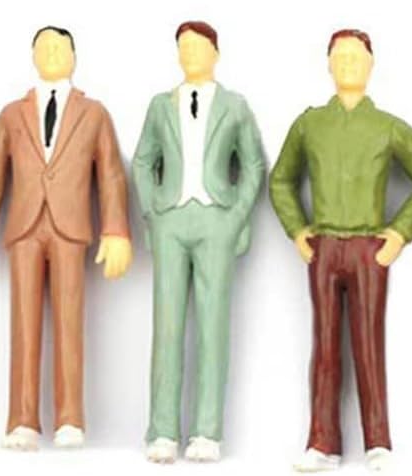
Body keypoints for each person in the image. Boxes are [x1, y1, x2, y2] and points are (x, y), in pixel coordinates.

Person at [269, 29, 412, 472]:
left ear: (371, 65)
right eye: (340, 57)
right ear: (328, 64)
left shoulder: (387, 127)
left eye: (356, 57)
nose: (348, 63)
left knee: (369, 346)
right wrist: (297, 231)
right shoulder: (311, 124)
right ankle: (321, 441)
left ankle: (378, 440)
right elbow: (281, 180)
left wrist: (398, 234)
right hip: (324, 248)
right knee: (324, 347)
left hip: (369, 249)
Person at [0, 26, 132, 451]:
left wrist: (116, 230)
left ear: (75, 57)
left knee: (70, 323)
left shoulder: (94, 113)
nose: (53, 53)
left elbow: (111, 175)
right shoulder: (11, 114)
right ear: (32, 56)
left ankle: (70, 417)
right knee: (23, 324)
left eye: (61, 47)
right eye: (44, 47)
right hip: (24, 228)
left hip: (70, 228)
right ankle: (22, 420)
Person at [132, 21, 265, 464]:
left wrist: (235, 215)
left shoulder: (235, 105)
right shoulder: (160, 105)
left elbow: (253, 165)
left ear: (215, 54)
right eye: (184, 47)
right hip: (170, 220)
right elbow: (143, 160)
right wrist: (152, 210)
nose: (190, 54)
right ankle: (162, 431)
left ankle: (207, 432)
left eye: (199, 47)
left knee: (213, 326)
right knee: (166, 327)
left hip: (215, 219)